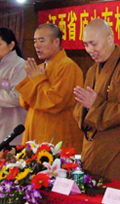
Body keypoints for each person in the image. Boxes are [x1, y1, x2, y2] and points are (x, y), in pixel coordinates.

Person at [73, 19, 120, 187]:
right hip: (95, 149)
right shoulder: (93, 70)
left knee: (119, 195)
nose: (90, 50)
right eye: (86, 45)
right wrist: (86, 107)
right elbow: (82, 107)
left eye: (94, 44)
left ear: (110, 38)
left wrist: (94, 105)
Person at [16, 23, 84, 152]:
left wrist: (37, 79)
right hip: (35, 132)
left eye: (41, 41)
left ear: (56, 42)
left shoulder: (68, 67)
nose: (37, 45)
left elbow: (55, 102)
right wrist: (35, 78)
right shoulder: (39, 68)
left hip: (56, 135)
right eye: (35, 41)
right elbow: (24, 101)